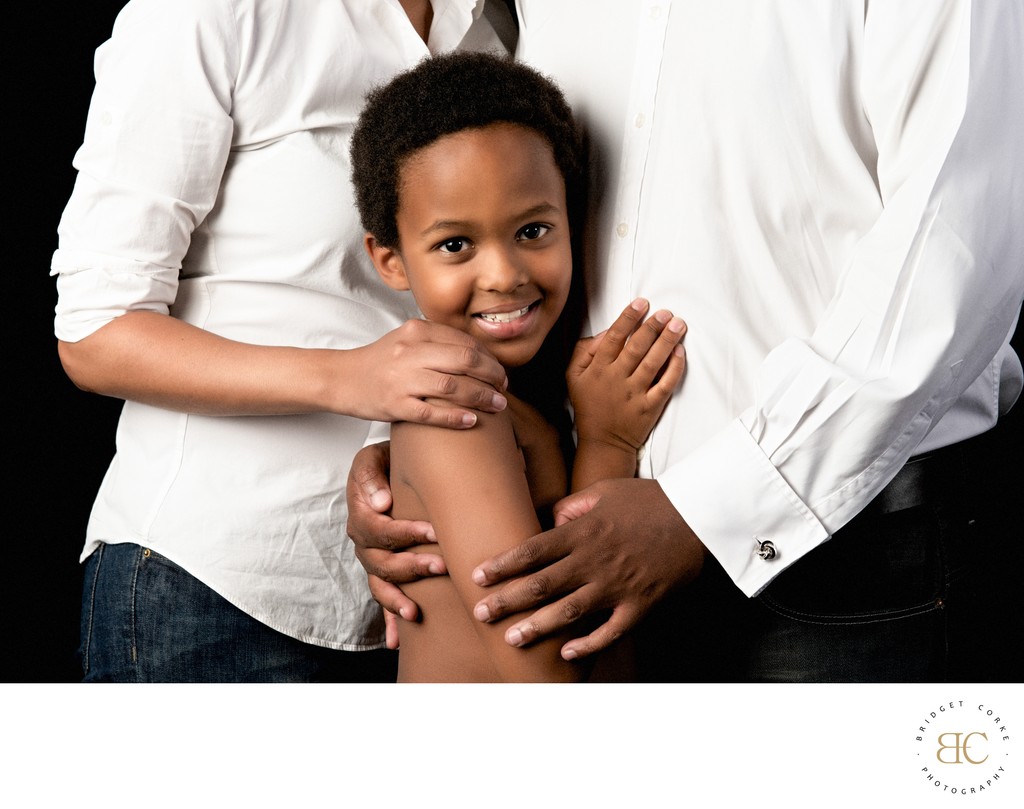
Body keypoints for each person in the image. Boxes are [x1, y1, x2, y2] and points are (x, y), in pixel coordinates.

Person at [347, 0, 1024, 682]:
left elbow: (951, 254)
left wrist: (706, 509)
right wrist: (429, 443)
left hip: (833, 547)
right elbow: (472, 140)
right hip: (570, 520)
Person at [50, 0, 525, 682]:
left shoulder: (502, 29)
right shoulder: (212, 14)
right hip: (214, 589)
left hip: (411, 601)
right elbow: (95, 332)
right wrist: (349, 378)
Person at [349, 51, 686, 681]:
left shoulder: (522, 399)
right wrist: (608, 446)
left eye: (533, 230)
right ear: (390, 259)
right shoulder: (455, 416)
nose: (504, 275)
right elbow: (559, 676)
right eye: (455, 245)